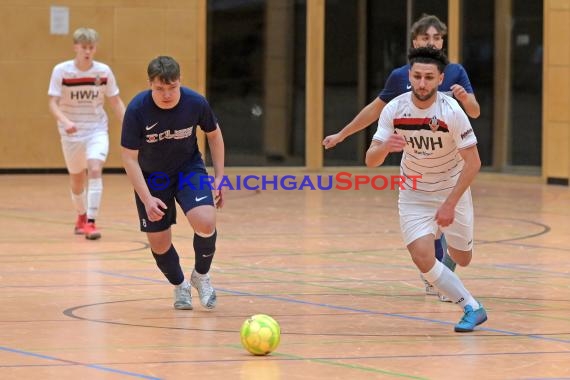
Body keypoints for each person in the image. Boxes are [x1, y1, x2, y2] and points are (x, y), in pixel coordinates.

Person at [323, 14, 479, 299]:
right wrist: (343, 134)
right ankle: (444, 282)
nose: (432, 42)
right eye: (426, 38)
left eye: (437, 38)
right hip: (417, 173)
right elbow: (374, 110)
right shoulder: (400, 79)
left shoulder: (454, 73)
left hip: (450, 165)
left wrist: (466, 100)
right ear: (415, 42)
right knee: (426, 233)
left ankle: (445, 267)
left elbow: (475, 111)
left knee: (459, 248)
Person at [365, 46, 487, 332]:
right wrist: (385, 147)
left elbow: (474, 163)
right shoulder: (395, 109)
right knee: (422, 256)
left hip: (450, 190)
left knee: (462, 258)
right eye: (417, 76)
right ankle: (471, 306)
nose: (422, 83)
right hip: (413, 192)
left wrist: (449, 204)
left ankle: (447, 238)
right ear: (410, 76)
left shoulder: (452, 112)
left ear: (440, 79)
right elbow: (370, 161)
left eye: (429, 77)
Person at [121, 56, 225, 310]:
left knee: (205, 220)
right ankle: (180, 285)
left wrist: (220, 176)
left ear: (180, 82)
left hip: (188, 169)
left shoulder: (195, 102)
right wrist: (146, 198)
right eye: (160, 89)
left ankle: (201, 276)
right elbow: (129, 158)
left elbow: (213, 134)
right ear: (150, 85)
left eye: (172, 87)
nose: (167, 94)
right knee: (159, 242)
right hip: (152, 178)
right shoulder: (137, 110)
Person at [48, 27, 126, 240]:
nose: (87, 51)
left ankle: (91, 222)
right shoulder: (61, 71)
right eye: (83, 47)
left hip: (96, 130)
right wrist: (65, 121)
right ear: (75, 47)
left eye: (91, 47)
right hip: (71, 133)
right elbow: (52, 104)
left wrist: (130, 125)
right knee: (77, 180)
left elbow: (115, 102)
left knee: (94, 169)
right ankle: (81, 217)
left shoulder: (103, 72)